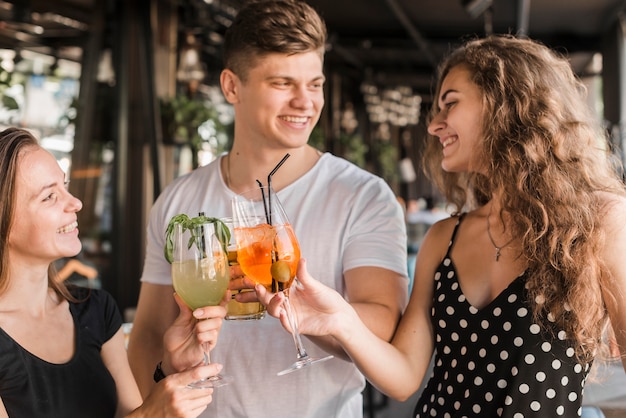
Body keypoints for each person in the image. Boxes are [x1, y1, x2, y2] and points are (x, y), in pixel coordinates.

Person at [259, 35, 626, 417]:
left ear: (507, 104)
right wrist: (340, 321)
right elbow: (403, 378)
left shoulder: (600, 222)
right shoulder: (443, 237)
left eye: (450, 104)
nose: (434, 126)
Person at [127, 1, 409, 417]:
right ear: (231, 86)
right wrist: (160, 390)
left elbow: (384, 321)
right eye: (282, 83)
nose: (305, 102)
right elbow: (150, 331)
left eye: (315, 84)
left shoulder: (363, 195)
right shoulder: (178, 200)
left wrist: (310, 311)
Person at [0, 127, 226, 417]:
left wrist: (169, 369)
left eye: (65, 187)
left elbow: (132, 413)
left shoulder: (96, 310)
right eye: (49, 197)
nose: (76, 203)